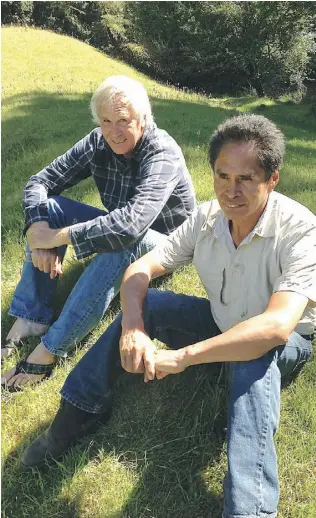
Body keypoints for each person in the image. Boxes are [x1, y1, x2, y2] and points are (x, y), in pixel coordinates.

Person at [21, 114, 315, 518]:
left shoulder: (301, 230)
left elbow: (276, 326)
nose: (232, 190)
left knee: (255, 354)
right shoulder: (208, 218)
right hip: (220, 319)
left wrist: (183, 358)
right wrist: (132, 327)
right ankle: (76, 414)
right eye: (222, 175)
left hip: (284, 343)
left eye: (246, 178)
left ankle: (249, 510)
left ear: (273, 178)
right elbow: (140, 269)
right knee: (151, 304)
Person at [1, 75, 196, 391]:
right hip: (124, 228)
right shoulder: (97, 142)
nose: (114, 132)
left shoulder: (162, 152)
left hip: (169, 244)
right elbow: (39, 182)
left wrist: (59, 237)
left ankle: (50, 349)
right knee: (49, 209)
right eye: (106, 121)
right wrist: (39, 233)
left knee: (125, 241)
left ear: (143, 119)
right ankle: (32, 315)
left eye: (123, 121)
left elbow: (130, 225)